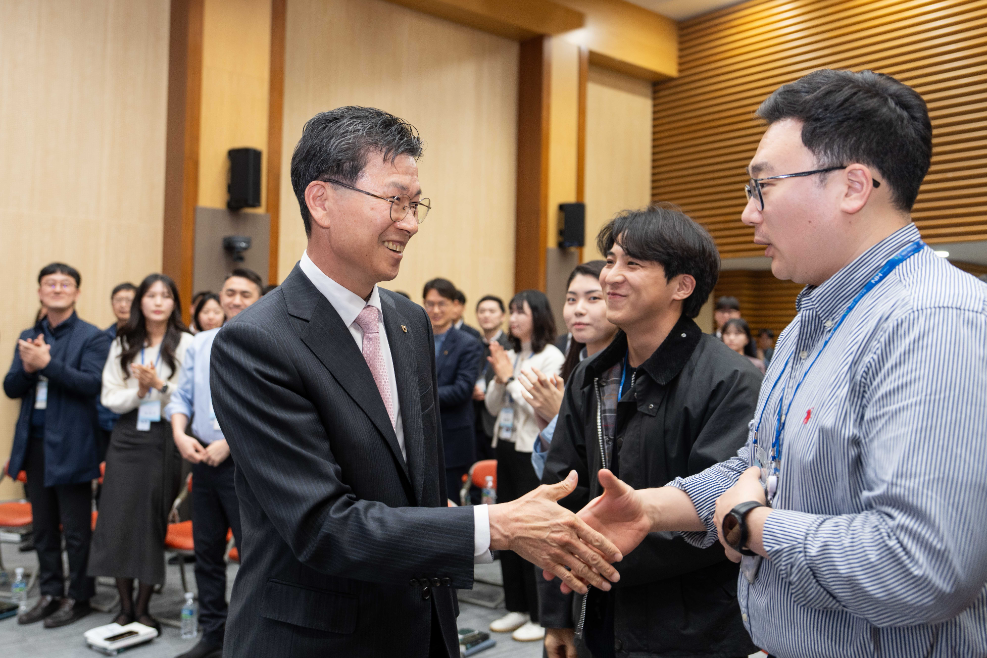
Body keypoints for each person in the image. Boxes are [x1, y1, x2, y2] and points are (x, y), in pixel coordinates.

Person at [566, 70, 987, 658]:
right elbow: (756, 465)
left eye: (762, 186)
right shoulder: (808, 325)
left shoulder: (932, 320)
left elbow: (921, 564)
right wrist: (650, 508)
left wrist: (750, 526)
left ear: (853, 186)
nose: (747, 213)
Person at [209, 106, 621, 658]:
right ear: (321, 200)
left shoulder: (408, 321)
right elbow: (323, 526)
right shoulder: (258, 342)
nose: (411, 222)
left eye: (415, 204)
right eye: (394, 201)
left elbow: (418, 485)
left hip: (422, 625)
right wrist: (493, 526)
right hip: (318, 638)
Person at [539, 208, 761, 658]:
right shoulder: (591, 375)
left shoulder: (731, 380)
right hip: (599, 613)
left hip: (694, 629)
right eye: (610, 260)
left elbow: (714, 515)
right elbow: (560, 490)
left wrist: (597, 550)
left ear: (682, 286)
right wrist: (556, 615)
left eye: (633, 264)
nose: (611, 277)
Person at [3, 263, 111, 628]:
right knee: (44, 527)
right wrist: (28, 368)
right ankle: (50, 592)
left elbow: (92, 384)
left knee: (76, 529)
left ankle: (79, 596)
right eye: (50, 283)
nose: (58, 288)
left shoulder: (93, 337)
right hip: (34, 445)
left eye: (66, 284)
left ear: (77, 293)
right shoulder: (29, 334)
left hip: (74, 446)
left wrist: (47, 364)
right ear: (40, 292)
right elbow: (11, 388)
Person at [166, 267, 263, 658]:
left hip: (247, 465)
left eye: (245, 294)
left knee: (252, 556)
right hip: (202, 461)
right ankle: (213, 634)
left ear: (259, 298)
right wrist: (179, 434)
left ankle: (249, 636)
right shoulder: (199, 342)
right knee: (206, 553)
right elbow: (180, 396)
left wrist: (230, 443)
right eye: (230, 292)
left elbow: (265, 408)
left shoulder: (270, 341)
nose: (235, 300)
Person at [89, 273, 193, 633]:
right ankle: (125, 605)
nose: (159, 302)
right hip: (127, 435)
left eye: (166, 295)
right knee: (117, 518)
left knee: (150, 521)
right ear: (140, 303)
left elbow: (190, 393)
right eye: (151, 295)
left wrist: (159, 385)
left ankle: (145, 607)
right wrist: (140, 391)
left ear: (174, 303)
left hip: (166, 437)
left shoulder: (186, 342)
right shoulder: (123, 341)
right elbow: (108, 395)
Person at [484, 289, 566, 642]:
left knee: (531, 530)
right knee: (506, 530)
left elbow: (539, 404)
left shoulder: (551, 356)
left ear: (539, 316)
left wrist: (510, 378)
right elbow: (490, 406)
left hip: (531, 451)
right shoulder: (510, 354)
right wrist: (501, 378)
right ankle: (516, 607)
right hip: (504, 447)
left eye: (521, 312)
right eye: (512, 312)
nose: (513, 318)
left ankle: (537, 612)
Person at [529, 260, 618, 480]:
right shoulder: (571, 371)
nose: (578, 309)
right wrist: (547, 429)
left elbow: (609, 463)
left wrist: (559, 422)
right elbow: (550, 474)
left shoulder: (626, 374)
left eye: (593, 298)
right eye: (571, 299)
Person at [422, 277, 484, 499]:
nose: (435, 310)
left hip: (453, 438)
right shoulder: (416, 338)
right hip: (421, 437)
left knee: (451, 501)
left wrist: (419, 396)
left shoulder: (467, 343)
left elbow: (463, 389)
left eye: (442, 304)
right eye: (430, 304)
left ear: (454, 305)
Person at [96, 282, 137, 462]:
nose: (123, 305)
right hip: (103, 417)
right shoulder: (100, 339)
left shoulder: (146, 339)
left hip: (135, 416)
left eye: (129, 300)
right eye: (118, 300)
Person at [473, 295, 510, 462]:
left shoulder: (509, 345)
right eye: (482, 311)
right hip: (473, 417)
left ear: (502, 316)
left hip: (499, 419)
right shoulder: (471, 344)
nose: (486, 315)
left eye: (492, 311)